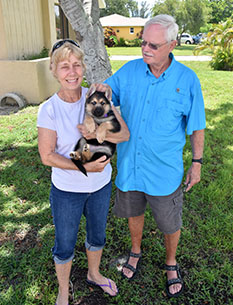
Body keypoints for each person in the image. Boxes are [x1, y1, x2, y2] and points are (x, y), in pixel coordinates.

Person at [94, 14, 206, 298]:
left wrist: (197, 163)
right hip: (132, 166)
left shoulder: (187, 80)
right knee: (134, 212)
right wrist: (103, 107)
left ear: (172, 45)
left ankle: (170, 261)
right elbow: (105, 95)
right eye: (143, 42)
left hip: (164, 172)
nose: (145, 49)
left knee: (170, 222)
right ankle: (135, 250)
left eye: (153, 45)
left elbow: (197, 125)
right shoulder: (130, 71)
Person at [37, 39, 130, 305]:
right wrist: (84, 166)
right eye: (64, 66)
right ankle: (63, 291)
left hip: (100, 186)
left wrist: (102, 125)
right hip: (67, 191)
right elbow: (47, 156)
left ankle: (94, 273)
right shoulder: (49, 109)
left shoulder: (95, 98)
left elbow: (123, 135)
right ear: (54, 70)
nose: (72, 72)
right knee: (65, 243)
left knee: (97, 235)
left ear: (84, 67)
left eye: (77, 64)